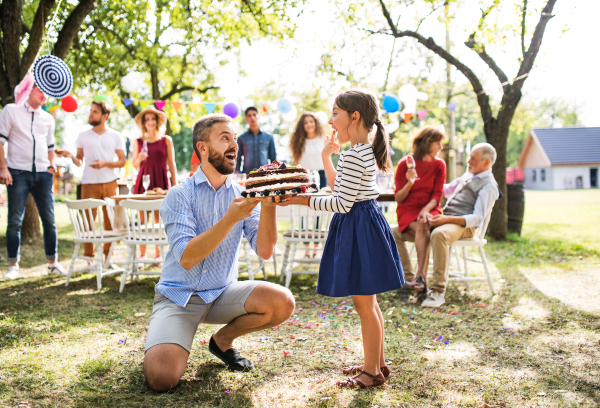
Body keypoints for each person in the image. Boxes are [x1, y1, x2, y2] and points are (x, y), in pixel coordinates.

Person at [143, 113, 294, 392]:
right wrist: (229, 219)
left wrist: (269, 204)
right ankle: (165, 335)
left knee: (282, 301)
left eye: (234, 138)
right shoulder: (179, 194)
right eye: (225, 138)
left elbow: (265, 250)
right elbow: (186, 257)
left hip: (222, 293)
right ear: (203, 147)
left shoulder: (243, 194)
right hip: (179, 296)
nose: (234, 144)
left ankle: (222, 341)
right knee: (161, 379)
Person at [277, 90, 404, 389]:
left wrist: (300, 200)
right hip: (363, 223)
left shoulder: (356, 154)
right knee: (368, 303)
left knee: (364, 304)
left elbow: (341, 202)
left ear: (354, 116)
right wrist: (326, 157)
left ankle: (372, 373)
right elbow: (340, 187)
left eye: (335, 113)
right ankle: (378, 363)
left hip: (359, 226)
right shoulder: (360, 151)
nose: (331, 121)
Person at [397, 143, 499, 308]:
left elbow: (477, 218)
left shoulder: (489, 186)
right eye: (469, 156)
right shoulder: (467, 176)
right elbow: (443, 190)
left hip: (463, 226)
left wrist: (445, 219)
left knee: (439, 234)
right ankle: (410, 280)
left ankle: (437, 291)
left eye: (473, 158)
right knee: (395, 231)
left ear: (487, 163)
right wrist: (414, 184)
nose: (468, 161)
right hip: (444, 220)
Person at [0, 84, 67, 279]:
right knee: (14, 220)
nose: (45, 95)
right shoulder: (11, 110)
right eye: (41, 90)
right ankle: (13, 265)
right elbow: (1, 141)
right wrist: (3, 169)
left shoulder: (47, 118)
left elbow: (50, 146)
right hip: (17, 172)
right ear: (29, 89)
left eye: (47, 91)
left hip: (43, 174)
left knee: (50, 220)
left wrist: (51, 166)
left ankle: (52, 263)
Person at [58, 101, 126, 262]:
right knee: (88, 221)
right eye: (91, 111)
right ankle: (90, 258)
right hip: (88, 182)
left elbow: (122, 161)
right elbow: (79, 161)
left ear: (105, 116)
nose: (91, 114)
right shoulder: (83, 135)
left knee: (110, 221)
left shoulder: (115, 136)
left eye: (95, 112)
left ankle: (108, 258)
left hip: (110, 182)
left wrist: (105, 163)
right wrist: (71, 156)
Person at [392, 126, 446, 298]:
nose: (441, 147)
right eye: (438, 143)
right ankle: (419, 278)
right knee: (422, 224)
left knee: (424, 221)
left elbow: (437, 195)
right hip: (408, 210)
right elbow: (399, 198)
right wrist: (409, 183)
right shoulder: (405, 164)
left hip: (430, 209)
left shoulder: (439, 165)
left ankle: (419, 277)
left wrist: (425, 209)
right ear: (427, 143)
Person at [131, 106, 177, 261]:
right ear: (144, 123)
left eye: (152, 119)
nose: (150, 122)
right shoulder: (138, 141)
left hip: (161, 181)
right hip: (144, 181)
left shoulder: (166, 140)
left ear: (157, 121)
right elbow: (134, 164)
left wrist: (175, 186)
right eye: (147, 119)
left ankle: (158, 255)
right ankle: (142, 255)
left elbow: (172, 164)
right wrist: (140, 158)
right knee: (142, 218)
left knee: (159, 219)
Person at [290, 112, 328, 258]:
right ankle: (306, 249)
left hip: (322, 176)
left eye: (311, 121)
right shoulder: (298, 141)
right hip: (304, 177)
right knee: (304, 214)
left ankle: (315, 248)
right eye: (306, 122)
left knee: (319, 211)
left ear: (315, 123)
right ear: (302, 126)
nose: (309, 125)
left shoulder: (322, 140)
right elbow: (296, 162)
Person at [235, 107, 276, 174]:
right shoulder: (241, 138)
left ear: (258, 116)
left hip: (265, 176)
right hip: (248, 176)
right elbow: (237, 160)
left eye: (254, 115)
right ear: (246, 119)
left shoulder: (269, 138)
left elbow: (273, 160)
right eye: (249, 115)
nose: (252, 117)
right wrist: (238, 175)